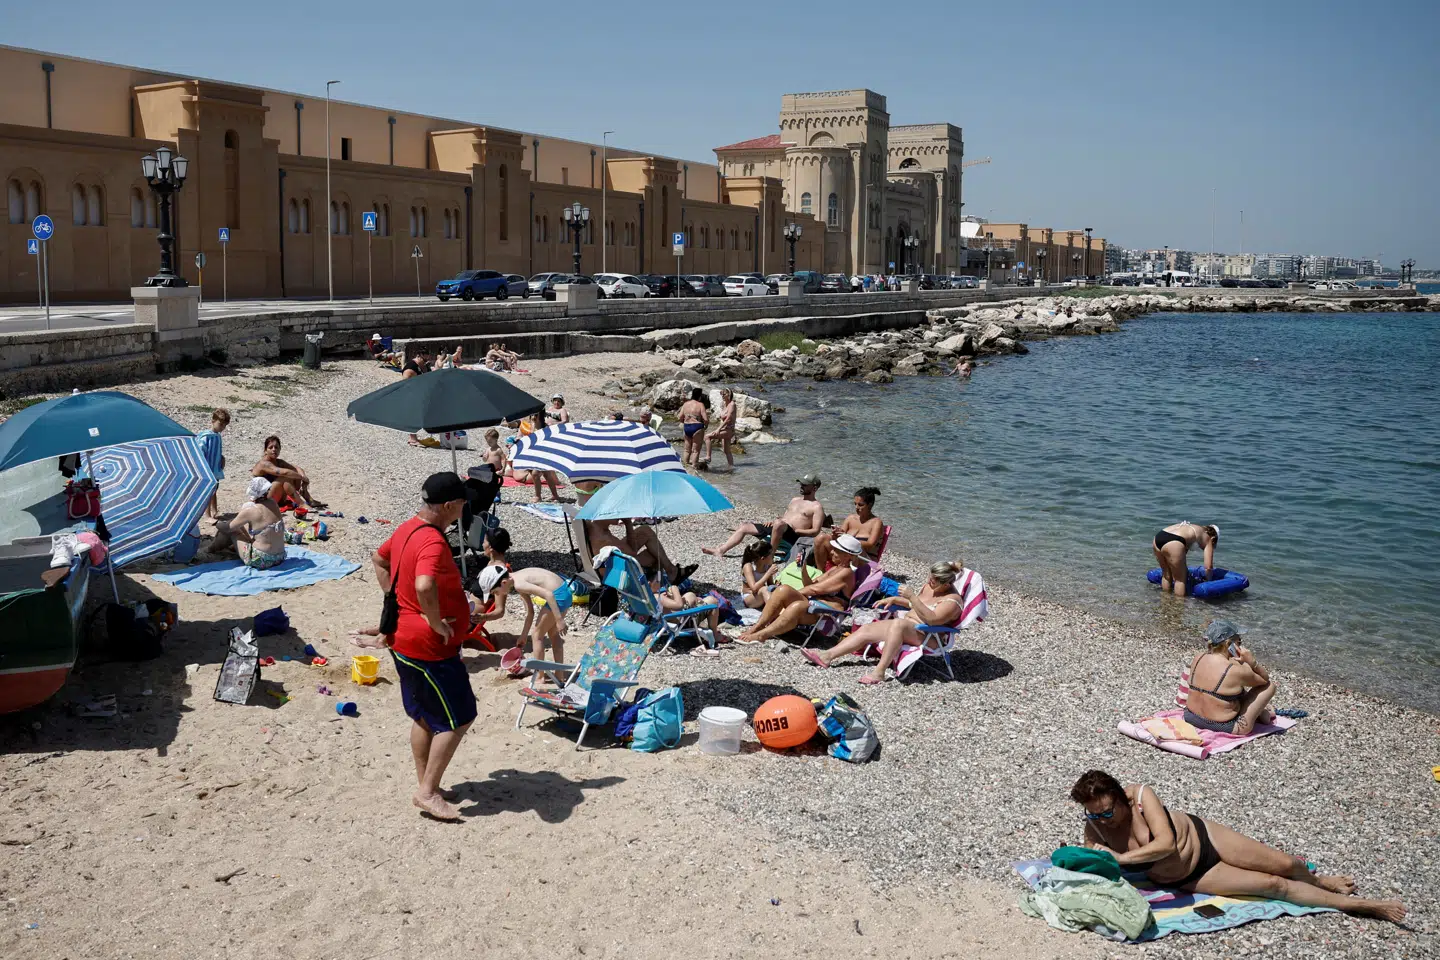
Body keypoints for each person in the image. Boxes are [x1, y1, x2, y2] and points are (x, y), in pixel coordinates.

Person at [1069, 770, 1405, 922]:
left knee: (1286, 864)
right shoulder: (1095, 828)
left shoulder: (1141, 796)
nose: (1104, 819)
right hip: (1189, 876)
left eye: (1108, 811)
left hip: (1204, 836)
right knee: (1272, 885)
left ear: (1120, 796)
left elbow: (1167, 844)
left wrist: (1122, 857)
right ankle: (1356, 905)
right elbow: (1097, 864)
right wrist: (1096, 860)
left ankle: (1319, 880)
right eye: (1095, 814)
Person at [371, 471, 476, 821]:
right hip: (428, 647)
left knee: (425, 716)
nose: (464, 509)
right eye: (461, 503)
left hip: (404, 638)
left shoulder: (406, 527)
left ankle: (425, 785)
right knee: (459, 717)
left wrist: (394, 600)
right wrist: (431, 619)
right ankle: (428, 792)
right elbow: (425, 584)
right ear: (448, 505)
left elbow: (379, 559)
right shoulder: (432, 541)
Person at [801, 560, 964, 683]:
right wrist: (895, 599)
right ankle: (827, 656)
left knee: (898, 624)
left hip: (930, 636)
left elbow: (932, 619)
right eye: (930, 577)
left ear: (947, 584)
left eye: (935, 580)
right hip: (909, 628)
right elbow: (913, 605)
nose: (930, 581)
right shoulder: (931, 587)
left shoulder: (952, 602)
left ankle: (879, 672)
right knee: (867, 629)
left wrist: (912, 596)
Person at [734, 534, 866, 644]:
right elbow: (810, 585)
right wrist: (803, 568)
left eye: (836, 550)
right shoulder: (835, 569)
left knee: (794, 601)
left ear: (847, 556)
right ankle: (757, 627)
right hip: (814, 604)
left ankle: (762, 635)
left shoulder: (846, 573)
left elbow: (814, 590)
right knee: (783, 590)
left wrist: (792, 592)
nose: (831, 551)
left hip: (827, 612)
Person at [1183, 619, 1277, 735]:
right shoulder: (1234, 669)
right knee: (1270, 686)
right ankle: (1260, 713)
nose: (1240, 645)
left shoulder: (1198, 658)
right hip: (1224, 726)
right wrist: (1252, 662)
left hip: (1190, 716)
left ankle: (1261, 712)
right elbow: (1264, 680)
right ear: (1228, 644)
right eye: (1239, 642)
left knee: (1232, 690)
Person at [702, 473, 825, 560]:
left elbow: (815, 531)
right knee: (745, 526)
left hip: (794, 536)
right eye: (801, 484)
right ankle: (721, 550)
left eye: (805, 485)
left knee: (779, 524)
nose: (801, 486)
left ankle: (769, 556)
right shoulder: (795, 500)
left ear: (814, 488)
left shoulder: (816, 507)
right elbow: (785, 518)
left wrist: (797, 530)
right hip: (780, 527)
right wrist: (775, 521)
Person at [476, 563, 571, 669]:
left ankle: (540, 677)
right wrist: (523, 636)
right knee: (553, 634)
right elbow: (530, 612)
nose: (497, 595)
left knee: (537, 636)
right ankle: (559, 675)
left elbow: (549, 595)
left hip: (557, 596)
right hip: (565, 591)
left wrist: (559, 620)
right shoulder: (517, 577)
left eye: (496, 592)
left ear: (503, 582)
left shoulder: (519, 584)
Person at [206, 477, 288, 568]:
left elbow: (227, 528)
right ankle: (218, 547)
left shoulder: (251, 510)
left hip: (262, 559)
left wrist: (215, 522)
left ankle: (210, 549)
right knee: (237, 525)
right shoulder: (273, 503)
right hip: (280, 557)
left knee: (231, 530)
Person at [586, 517, 696, 585]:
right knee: (654, 554)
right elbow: (632, 552)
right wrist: (628, 523)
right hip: (614, 572)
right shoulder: (604, 537)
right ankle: (665, 578)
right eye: (615, 513)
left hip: (608, 563)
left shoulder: (593, 525)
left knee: (645, 530)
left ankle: (670, 571)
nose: (619, 516)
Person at [814, 486, 884, 566]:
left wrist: (848, 538)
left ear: (870, 505)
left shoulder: (876, 522)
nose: (856, 507)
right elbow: (838, 539)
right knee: (821, 538)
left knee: (852, 550)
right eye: (855, 504)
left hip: (864, 559)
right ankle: (820, 573)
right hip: (846, 554)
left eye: (860, 505)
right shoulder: (850, 519)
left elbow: (870, 545)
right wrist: (835, 534)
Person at [251, 435, 325, 509]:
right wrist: (301, 477)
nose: (274, 450)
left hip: (275, 498)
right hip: (262, 500)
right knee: (285, 477)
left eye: (276, 447)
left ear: (280, 449)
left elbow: (296, 468)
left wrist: (303, 477)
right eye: (270, 447)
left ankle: (306, 496)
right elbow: (284, 473)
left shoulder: (279, 462)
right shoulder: (264, 463)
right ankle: (302, 504)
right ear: (265, 450)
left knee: (293, 473)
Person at [1152, 522, 1220, 597]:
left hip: (1158, 537)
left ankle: (1165, 600)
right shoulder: (1208, 538)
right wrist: (1208, 581)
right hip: (1174, 540)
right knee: (1180, 580)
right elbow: (1208, 567)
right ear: (1213, 538)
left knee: (1166, 575)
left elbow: (1181, 555)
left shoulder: (1191, 529)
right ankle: (1178, 605)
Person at [195, 407, 229, 520]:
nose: (222, 427)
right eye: (220, 424)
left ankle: (215, 510)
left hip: (215, 468)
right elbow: (200, 452)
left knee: (215, 489)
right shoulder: (206, 437)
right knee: (208, 491)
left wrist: (221, 458)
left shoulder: (217, 436)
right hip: (207, 468)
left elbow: (217, 451)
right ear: (213, 421)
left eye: (224, 425)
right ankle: (207, 514)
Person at [700, 388, 737, 470]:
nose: (722, 396)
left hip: (729, 430)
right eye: (721, 394)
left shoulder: (732, 404)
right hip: (725, 429)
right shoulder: (724, 404)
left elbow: (728, 419)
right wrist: (719, 428)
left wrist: (718, 430)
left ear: (729, 395)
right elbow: (723, 419)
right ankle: (731, 468)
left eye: (724, 394)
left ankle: (708, 457)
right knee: (726, 450)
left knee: (707, 437)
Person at [678, 387, 710, 468]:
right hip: (697, 427)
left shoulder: (685, 404)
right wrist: (705, 426)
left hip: (687, 427)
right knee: (695, 451)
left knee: (686, 449)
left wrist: (685, 422)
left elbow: (680, 417)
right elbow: (705, 419)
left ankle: (685, 466)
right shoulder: (700, 405)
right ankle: (694, 467)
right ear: (699, 396)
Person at [740, 541, 776, 609]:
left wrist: (775, 586)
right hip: (749, 596)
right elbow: (754, 588)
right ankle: (774, 611)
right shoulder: (748, 566)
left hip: (761, 593)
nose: (773, 556)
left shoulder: (767, 566)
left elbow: (770, 584)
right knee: (764, 589)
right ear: (763, 558)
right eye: (771, 554)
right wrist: (768, 573)